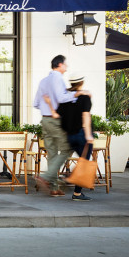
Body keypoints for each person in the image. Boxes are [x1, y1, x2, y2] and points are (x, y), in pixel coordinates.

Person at [32, 54, 89, 197]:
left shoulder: (43, 81)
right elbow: (61, 98)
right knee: (66, 149)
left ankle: (53, 187)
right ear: (59, 65)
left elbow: (36, 103)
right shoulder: (57, 78)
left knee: (52, 153)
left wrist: (48, 107)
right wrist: (77, 93)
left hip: (45, 120)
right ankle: (46, 177)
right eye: (65, 64)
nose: (67, 66)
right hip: (56, 120)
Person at [55, 73, 94, 202]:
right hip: (82, 134)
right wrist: (88, 134)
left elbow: (58, 115)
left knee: (70, 159)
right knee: (84, 162)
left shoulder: (66, 99)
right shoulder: (84, 97)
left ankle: (66, 177)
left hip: (69, 135)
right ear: (81, 82)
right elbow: (86, 116)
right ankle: (76, 191)